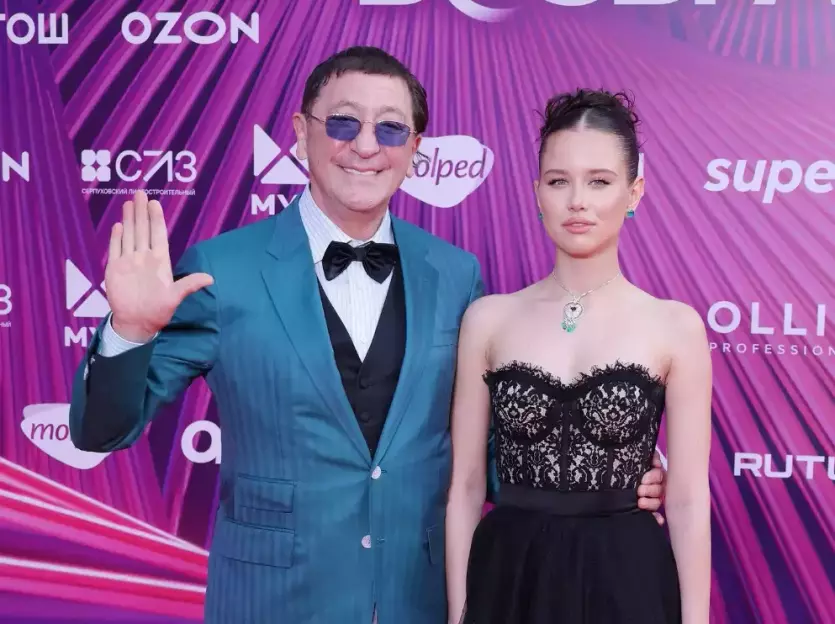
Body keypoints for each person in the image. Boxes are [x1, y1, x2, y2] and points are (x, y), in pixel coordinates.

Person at [68, 47, 667, 624]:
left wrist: (601, 472)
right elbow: (101, 431)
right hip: (273, 600)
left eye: (390, 129)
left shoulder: (455, 275)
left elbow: (477, 454)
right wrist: (130, 331)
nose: (364, 145)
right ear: (301, 134)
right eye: (343, 122)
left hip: (418, 600)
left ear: (415, 149)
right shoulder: (223, 270)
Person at [445, 89, 712, 624]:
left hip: (627, 581)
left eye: (599, 181)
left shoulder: (676, 327)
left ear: (634, 192)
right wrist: (458, 613)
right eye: (558, 181)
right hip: (510, 578)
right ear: (536, 193)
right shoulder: (488, 320)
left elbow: (686, 500)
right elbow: (467, 487)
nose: (577, 201)